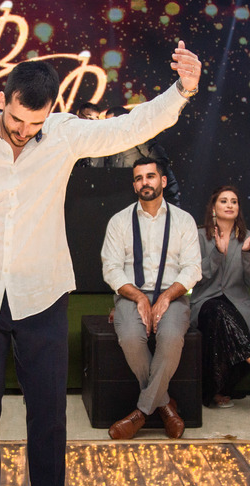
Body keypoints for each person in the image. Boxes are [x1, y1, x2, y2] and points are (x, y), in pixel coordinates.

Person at [0, 43, 202, 486]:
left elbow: (128, 129)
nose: (26, 132)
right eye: (19, 121)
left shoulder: (63, 133)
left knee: (47, 413)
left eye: (36, 123)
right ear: (2, 99)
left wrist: (180, 92)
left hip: (43, 294)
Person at [101, 157, 200, 440]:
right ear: (134, 186)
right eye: (139, 178)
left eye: (150, 176)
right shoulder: (119, 221)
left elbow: (193, 268)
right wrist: (139, 299)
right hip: (130, 296)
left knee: (170, 339)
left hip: (174, 295)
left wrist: (167, 297)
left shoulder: (183, 220)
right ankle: (166, 405)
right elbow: (111, 268)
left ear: (163, 181)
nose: (145, 182)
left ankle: (141, 413)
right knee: (131, 338)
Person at [188, 186, 250, 408]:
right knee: (216, 311)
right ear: (214, 208)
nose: (229, 205)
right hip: (206, 304)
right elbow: (194, 277)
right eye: (224, 201)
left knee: (225, 330)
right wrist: (217, 252)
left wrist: (247, 254)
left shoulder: (249, 238)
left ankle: (213, 391)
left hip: (238, 305)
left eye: (234, 201)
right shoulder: (198, 236)